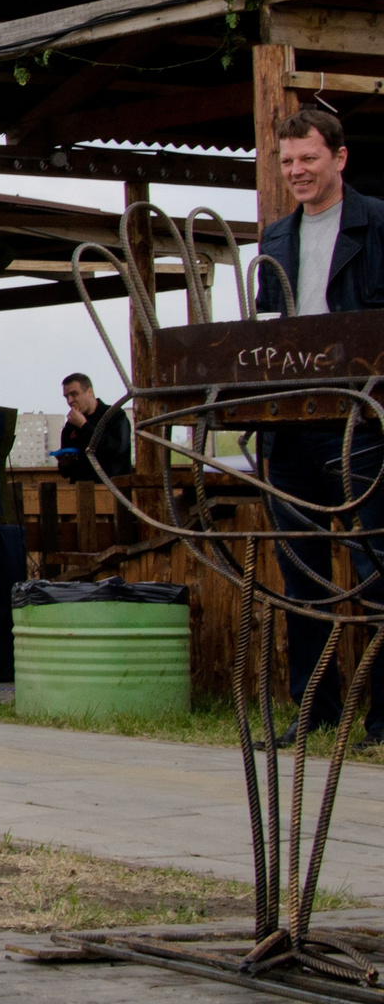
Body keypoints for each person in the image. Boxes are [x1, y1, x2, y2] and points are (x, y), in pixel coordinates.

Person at [251, 106, 384, 740]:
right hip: (293, 425)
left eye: (308, 158)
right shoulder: (275, 239)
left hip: (361, 422)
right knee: (301, 576)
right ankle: (315, 714)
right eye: (287, 162)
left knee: (376, 570)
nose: (297, 171)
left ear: (339, 157)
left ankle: (383, 717)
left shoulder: (379, 223)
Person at [55, 373, 132, 483]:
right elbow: (65, 473)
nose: (70, 401)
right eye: (66, 396)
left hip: (112, 489)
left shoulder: (114, 415)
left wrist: (84, 426)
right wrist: (64, 463)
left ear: (90, 392)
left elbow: (115, 449)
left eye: (74, 394)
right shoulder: (70, 426)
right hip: (81, 490)